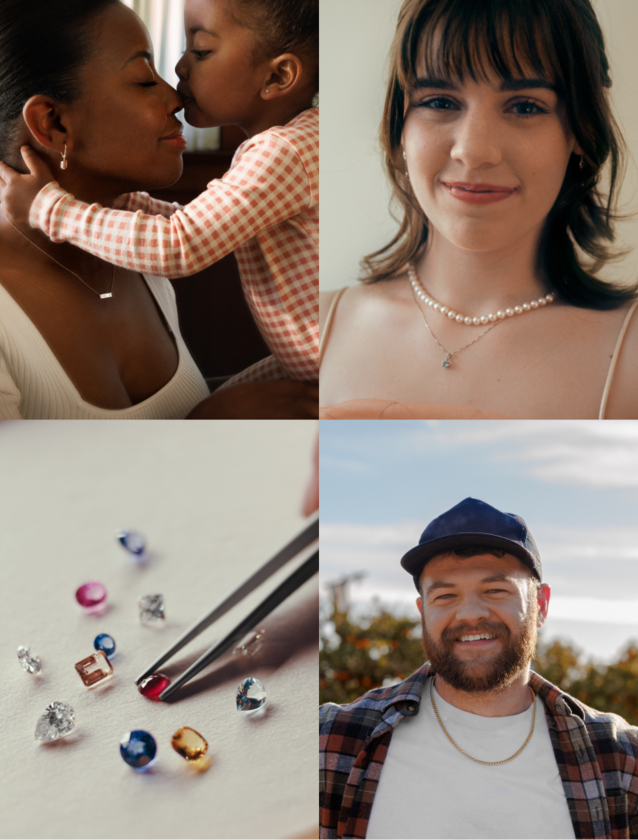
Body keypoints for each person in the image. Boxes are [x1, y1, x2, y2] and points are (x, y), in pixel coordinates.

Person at [319, 0, 638, 420]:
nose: (473, 151)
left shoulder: (630, 353)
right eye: (440, 102)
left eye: (525, 106)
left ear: (584, 127)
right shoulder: (316, 328)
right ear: (400, 125)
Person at [0, 0, 317, 419]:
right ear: (54, 123)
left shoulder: (138, 257)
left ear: (278, 75)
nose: (175, 93)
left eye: (200, 52)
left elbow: (178, 239)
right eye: (144, 80)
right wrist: (207, 424)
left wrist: (51, 208)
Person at [319, 497, 638, 839]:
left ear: (541, 605)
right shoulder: (332, 741)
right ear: (423, 612)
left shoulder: (619, 757)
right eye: (445, 596)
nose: (470, 613)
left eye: (495, 590)